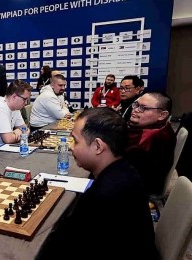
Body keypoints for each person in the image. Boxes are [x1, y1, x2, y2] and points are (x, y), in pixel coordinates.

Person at [36, 107, 158, 259]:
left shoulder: (103, 196)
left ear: (98, 146)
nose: (71, 147)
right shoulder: (126, 170)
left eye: (75, 141)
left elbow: (62, 247)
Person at [125, 92, 176, 196]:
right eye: (136, 104)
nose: (135, 110)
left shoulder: (148, 138)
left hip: (138, 191)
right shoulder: (164, 126)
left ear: (162, 115)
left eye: (143, 108)